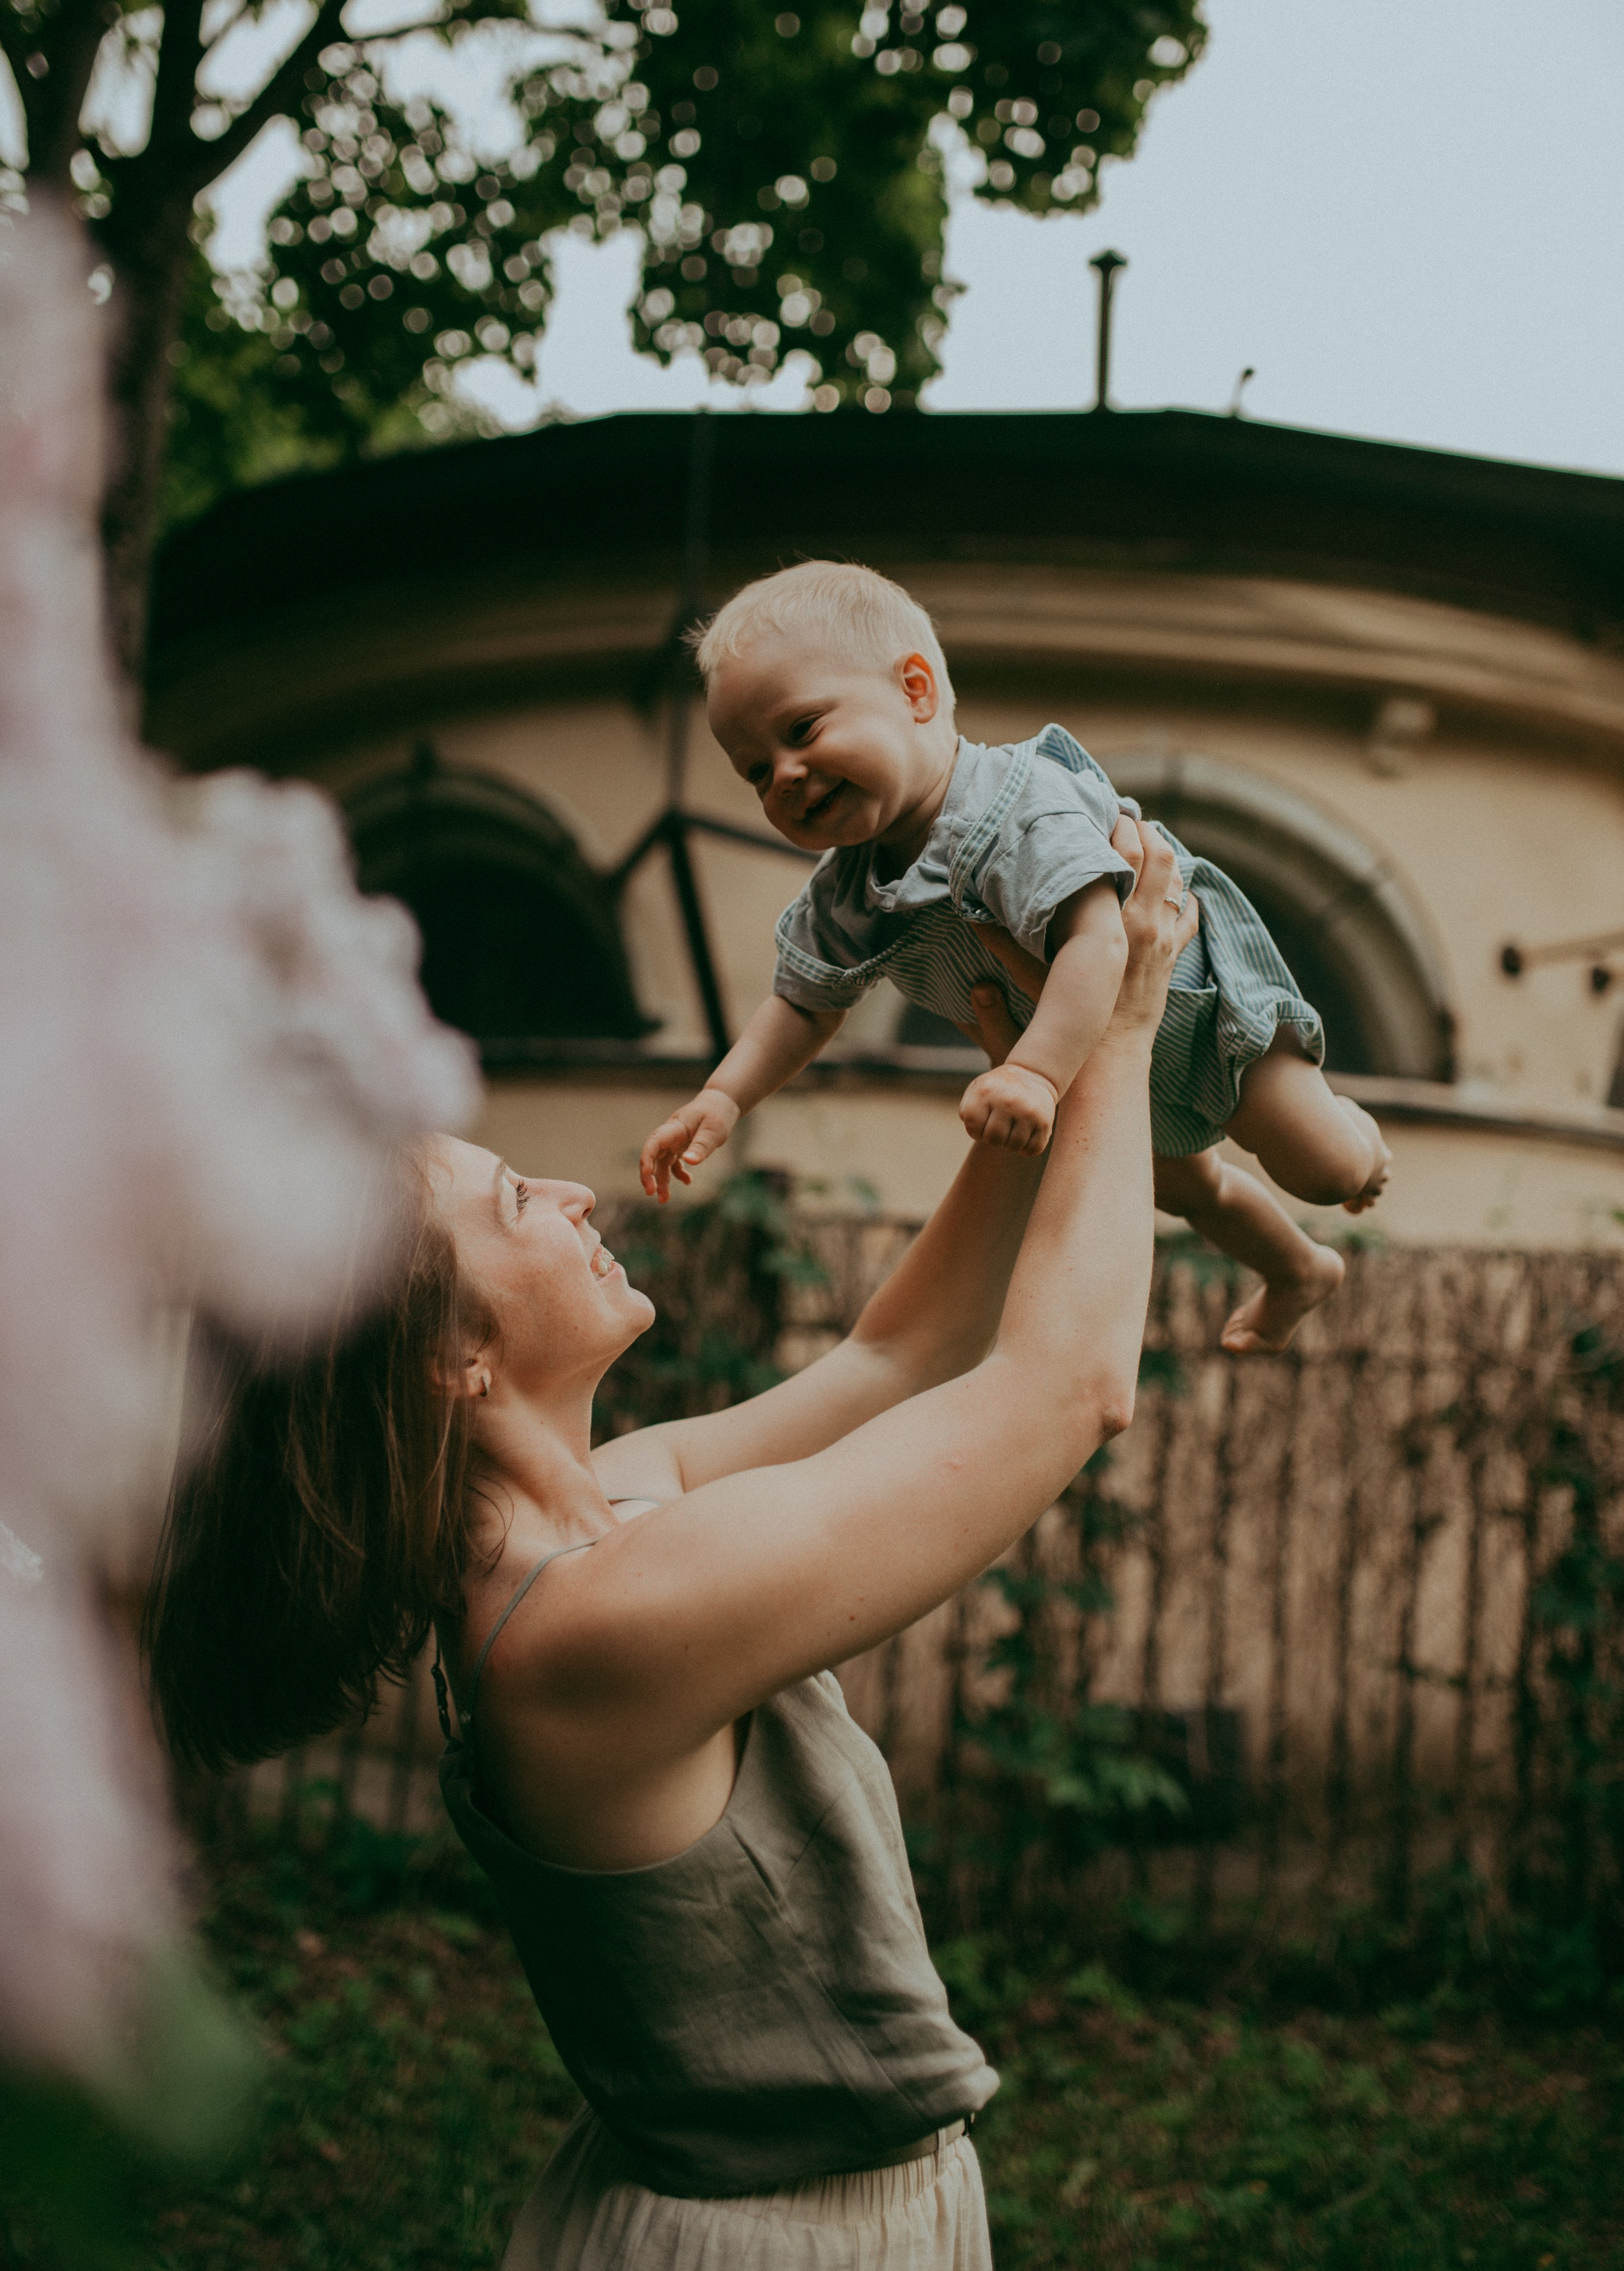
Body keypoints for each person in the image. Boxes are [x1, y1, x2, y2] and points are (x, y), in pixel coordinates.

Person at [144, 819, 1195, 2270]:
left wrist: (1042, 1055)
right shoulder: (591, 1625)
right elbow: (1064, 1390)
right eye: (515, 1197)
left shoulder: (609, 1505)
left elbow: (897, 1356)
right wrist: (1126, 1023)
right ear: (449, 1357)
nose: (573, 1192)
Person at [639, 560, 1392, 1356]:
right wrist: (721, 1099)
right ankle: (1298, 1268)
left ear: (916, 692)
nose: (784, 775)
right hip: (1105, 1068)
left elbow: (1100, 940)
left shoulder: (1015, 807)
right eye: (755, 770)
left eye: (801, 731)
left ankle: (1359, 1135)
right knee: (1189, 1191)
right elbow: (803, 1004)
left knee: (1326, 1174)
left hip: (1205, 1022)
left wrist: (1032, 1073)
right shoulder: (847, 892)